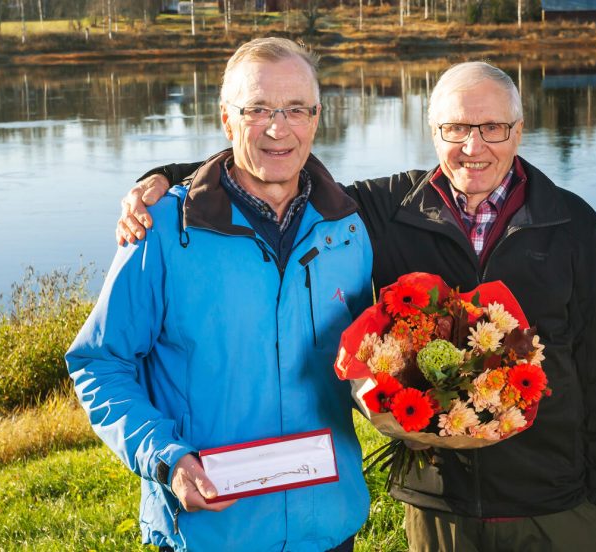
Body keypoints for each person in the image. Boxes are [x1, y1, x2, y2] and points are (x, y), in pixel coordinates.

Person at [119, 61, 596, 552]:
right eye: (455, 128)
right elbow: (277, 166)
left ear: (518, 131)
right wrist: (166, 177)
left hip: (557, 503)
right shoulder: (386, 209)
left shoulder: (572, 223)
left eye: (492, 127)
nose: (472, 146)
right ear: (433, 132)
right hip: (440, 507)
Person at [66, 37, 373, 552]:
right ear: (227, 120)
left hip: (329, 526)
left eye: (297, 109)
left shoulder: (348, 231)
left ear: (317, 118)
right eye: (258, 110)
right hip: (211, 532)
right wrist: (166, 457)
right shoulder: (161, 231)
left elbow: (366, 359)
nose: (280, 128)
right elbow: (100, 364)